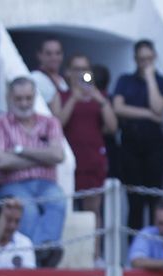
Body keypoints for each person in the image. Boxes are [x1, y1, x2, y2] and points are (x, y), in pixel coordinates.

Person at [0, 76, 67, 267]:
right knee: (28, 210)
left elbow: (58, 156)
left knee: (58, 201)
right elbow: (1, 160)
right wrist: (42, 156)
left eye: (28, 98)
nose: (24, 103)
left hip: (46, 184)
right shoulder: (0, 123)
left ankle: (39, 253)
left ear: (35, 97)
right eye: (19, 99)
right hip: (12, 184)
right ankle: (40, 256)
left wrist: (20, 150)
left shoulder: (50, 122)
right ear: (10, 98)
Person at [110, 39, 163, 235]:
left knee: (155, 199)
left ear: (154, 58)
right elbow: (118, 108)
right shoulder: (124, 80)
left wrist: (150, 78)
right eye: (141, 59)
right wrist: (147, 114)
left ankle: (157, 248)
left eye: (149, 58)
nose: (145, 62)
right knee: (134, 201)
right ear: (135, 59)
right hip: (130, 143)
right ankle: (134, 251)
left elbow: (158, 107)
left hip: (156, 144)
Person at [53, 52, 114, 223]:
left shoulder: (99, 96)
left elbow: (112, 126)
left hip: (93, 160)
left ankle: (95, 251)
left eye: (85, 69)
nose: (81, 73)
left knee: (93, 212)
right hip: (69, 161)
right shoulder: (61, 96)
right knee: (67, 210)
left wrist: (98, 98)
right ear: (68, 72)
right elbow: (57, 125)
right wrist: (74, 98)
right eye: (77, 69)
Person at [27, 35, 64, 103]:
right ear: (39, 55)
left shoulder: (63, 81)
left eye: (58, 53)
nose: (54, 57)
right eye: (48, 54)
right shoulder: (34, 78)